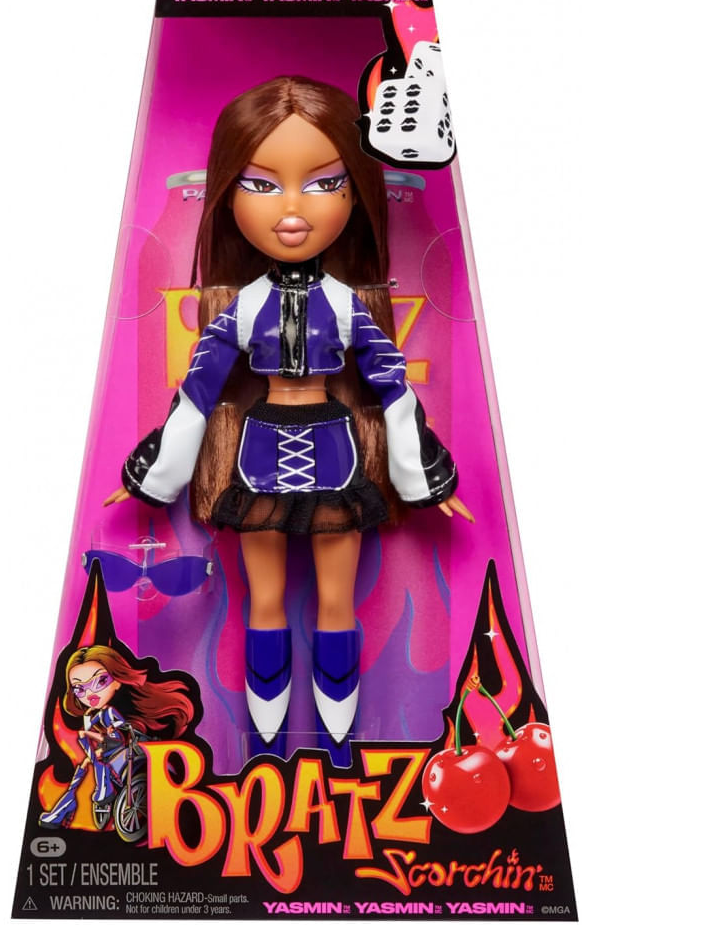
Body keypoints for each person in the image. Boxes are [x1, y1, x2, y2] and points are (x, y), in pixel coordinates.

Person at [106, 77, 472, 766]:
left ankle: (337, 736)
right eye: (262, 185)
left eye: (326, 183)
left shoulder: (349, 306)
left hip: (335, 456)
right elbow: (198, 389)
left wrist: (426, 472)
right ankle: (267, 737)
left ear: (355, 193)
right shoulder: (242, 308)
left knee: (337, 603)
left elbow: (392, 385)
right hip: (260, 458)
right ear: (227, 193)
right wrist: (152, 472)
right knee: (264, 600)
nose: (294, 210)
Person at [39, 645, 193, 828]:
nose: (90, 693)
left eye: (100, 681)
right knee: (84, 764)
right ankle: (65, 805)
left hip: (117, 742)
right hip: (104, 748)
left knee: (87, 744)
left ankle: (95, 791)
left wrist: (113, 728)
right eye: (79, 689)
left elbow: (121, 727)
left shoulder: (110, 711)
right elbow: (91, 732)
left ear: (118, 681)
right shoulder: (91, 715)